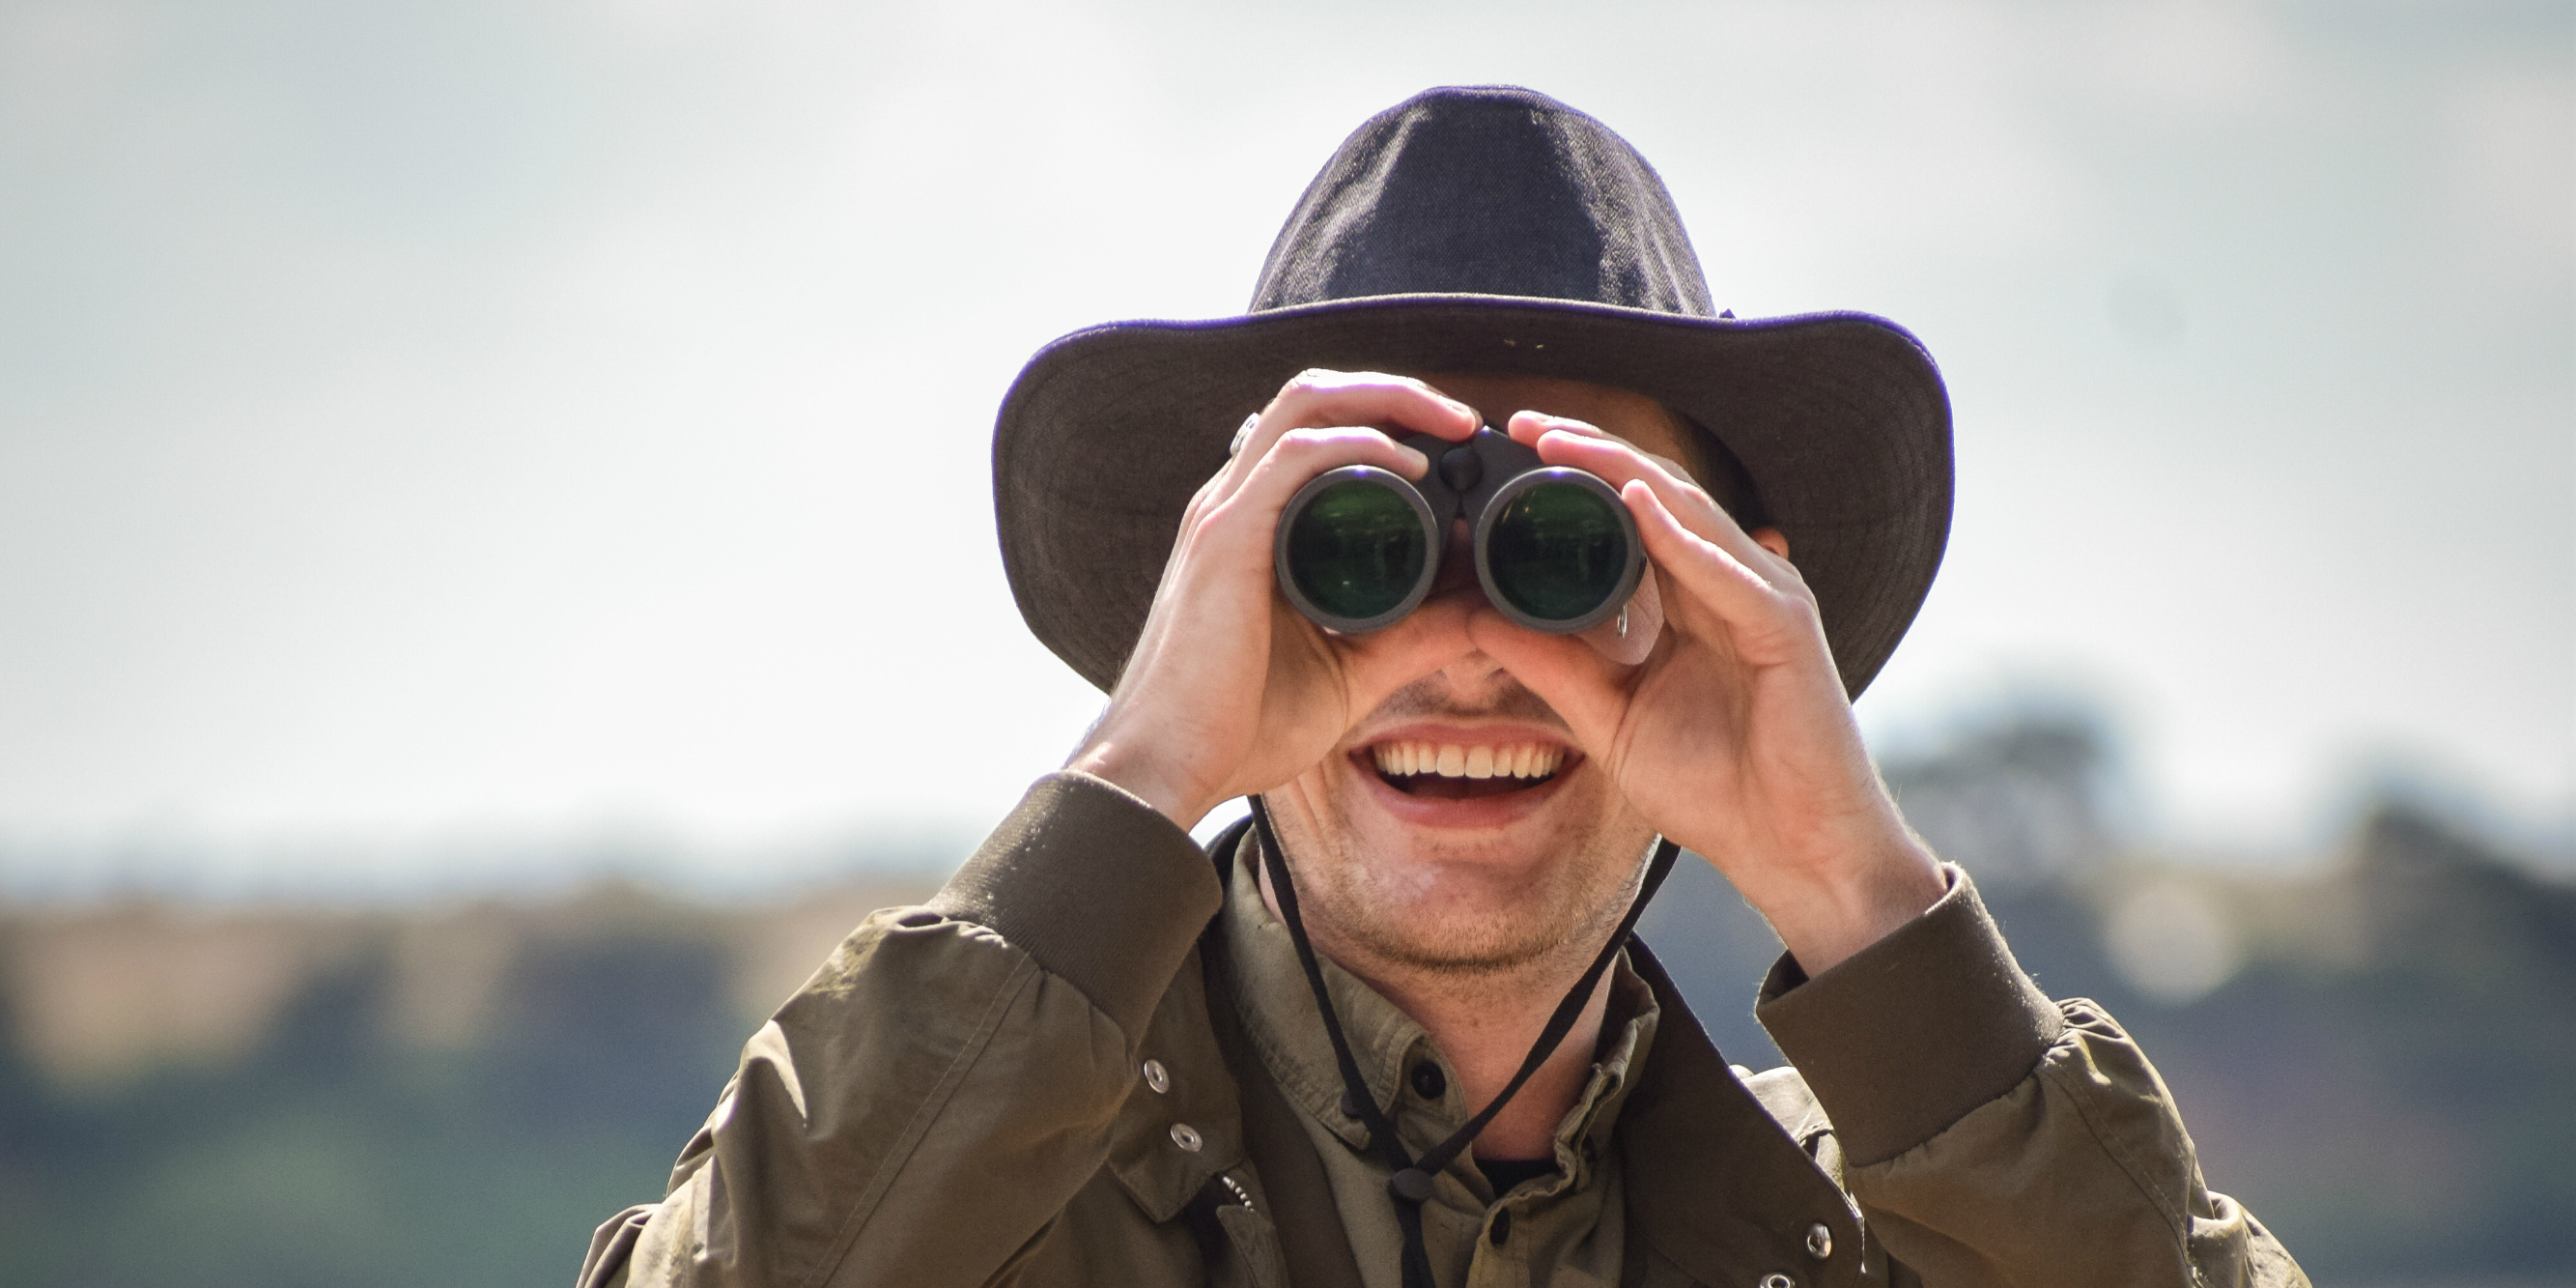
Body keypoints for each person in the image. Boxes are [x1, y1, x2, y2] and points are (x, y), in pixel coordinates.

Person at [580, 86, 2307, 1288]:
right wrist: (1138, 769)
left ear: (1734, 594)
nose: (1466, 646)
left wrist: (1862, 892)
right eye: (1357, 545)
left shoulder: (1887, 1229)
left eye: (1577, 551)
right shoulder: (984, 1198)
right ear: (1216, 577)